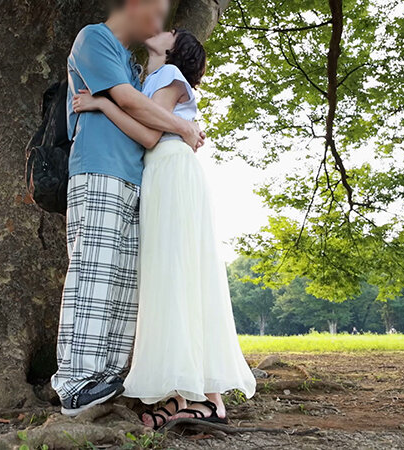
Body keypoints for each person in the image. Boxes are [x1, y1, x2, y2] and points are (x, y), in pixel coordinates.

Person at [72, 29, 256, 428]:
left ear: (175, 49)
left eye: (171, 31)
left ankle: (211, 401)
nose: (161, 28)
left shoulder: (170, 75)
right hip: (161, 173)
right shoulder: (151, 78)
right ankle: (181, 395)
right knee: (167, 279)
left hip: (171, 170)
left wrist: (101, 103)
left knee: (181, 276)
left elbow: (149, 134)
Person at [51, 0, 205, 417]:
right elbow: (128, 101)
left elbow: (145, 123)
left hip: (134, 178)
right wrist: (185, 127)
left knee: (121, 282)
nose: (158, 24)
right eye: (154, 13)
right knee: (93, 274)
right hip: (98, 168)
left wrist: (175, 125)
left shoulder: (134, 67)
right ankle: (75, 383)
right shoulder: (95, 38)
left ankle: (108, 377)